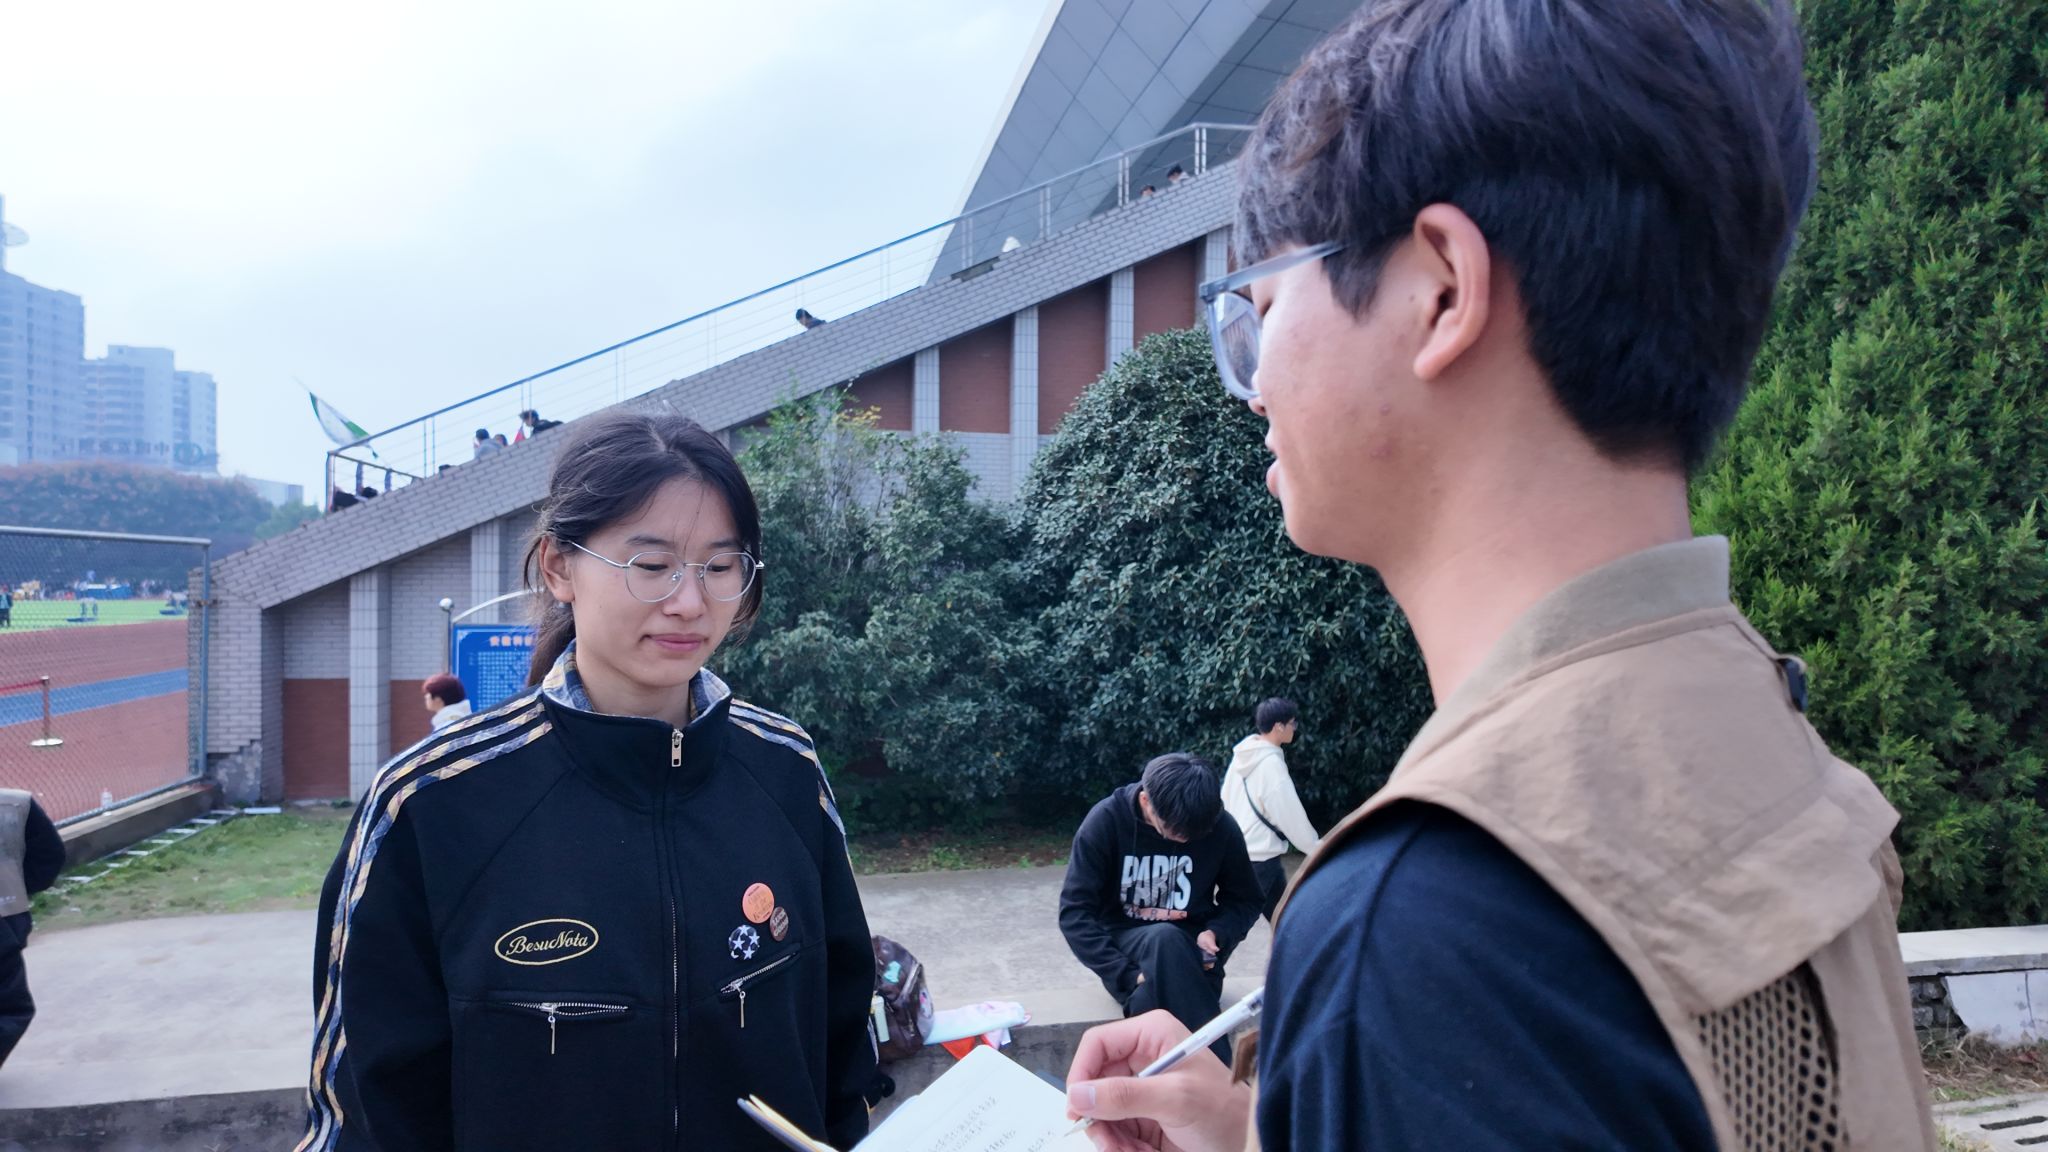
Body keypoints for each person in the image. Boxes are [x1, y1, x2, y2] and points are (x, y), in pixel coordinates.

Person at [1062, 2, 1935, 1149]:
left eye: (1261, 308)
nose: (1253, 381)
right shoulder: (1757, 717)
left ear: (1439, 289)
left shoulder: (1421, 925)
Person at [295, 411, 878, 1151]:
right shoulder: (431, 804)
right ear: (558, 567)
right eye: (652, 565)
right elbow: (363, 1115)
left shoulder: (786, 769)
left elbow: (841, 1041)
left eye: (719, 566)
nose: (690, 602)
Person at [1059, 753, 1261, 1065]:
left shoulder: (1220, 826)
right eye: (1174, 830)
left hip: (1195, 960)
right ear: (1146, 801)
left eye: (1194, 835)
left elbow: (1245, 899)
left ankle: (1172, 1089)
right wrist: (1126, 975)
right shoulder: (1106, 822)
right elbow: (1074, 913)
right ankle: (1224, 1079)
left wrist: (1216, 932)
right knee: (1164, 937)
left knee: (1147, 998)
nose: (1184, 839)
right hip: (1130, 955)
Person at [1219, 698, 1319, 925]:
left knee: (1284, 918)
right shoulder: (1271, 765)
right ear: (1278, 727)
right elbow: (1290, 815)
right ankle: (1210, 948)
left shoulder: (1242, 758)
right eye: (1292, 723)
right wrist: (1316, 848)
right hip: (1260, 857)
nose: (1294, 728)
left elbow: (1225, 800)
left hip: (1244, 851)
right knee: (1235, 923)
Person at [0, 788, 65, 1069]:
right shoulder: (15, 804)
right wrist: (16, 887)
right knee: (8, 1007)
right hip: (4, 919)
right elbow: (49, 856)